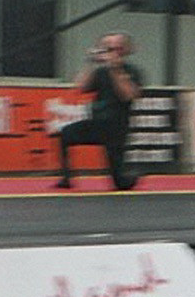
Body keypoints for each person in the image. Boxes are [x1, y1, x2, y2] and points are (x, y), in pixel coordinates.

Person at [54, 32, 142, 190]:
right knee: (65, 134)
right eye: (107, 49)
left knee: (120, 183)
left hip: (117, 127)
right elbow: (80, 87)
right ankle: (66, 177)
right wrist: (91, 63)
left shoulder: (131, 71)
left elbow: (128, 95)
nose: (111, 53)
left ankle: (128, 177)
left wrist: (116, 69)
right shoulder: (100, 72)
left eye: (115, 49)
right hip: (97, 122)